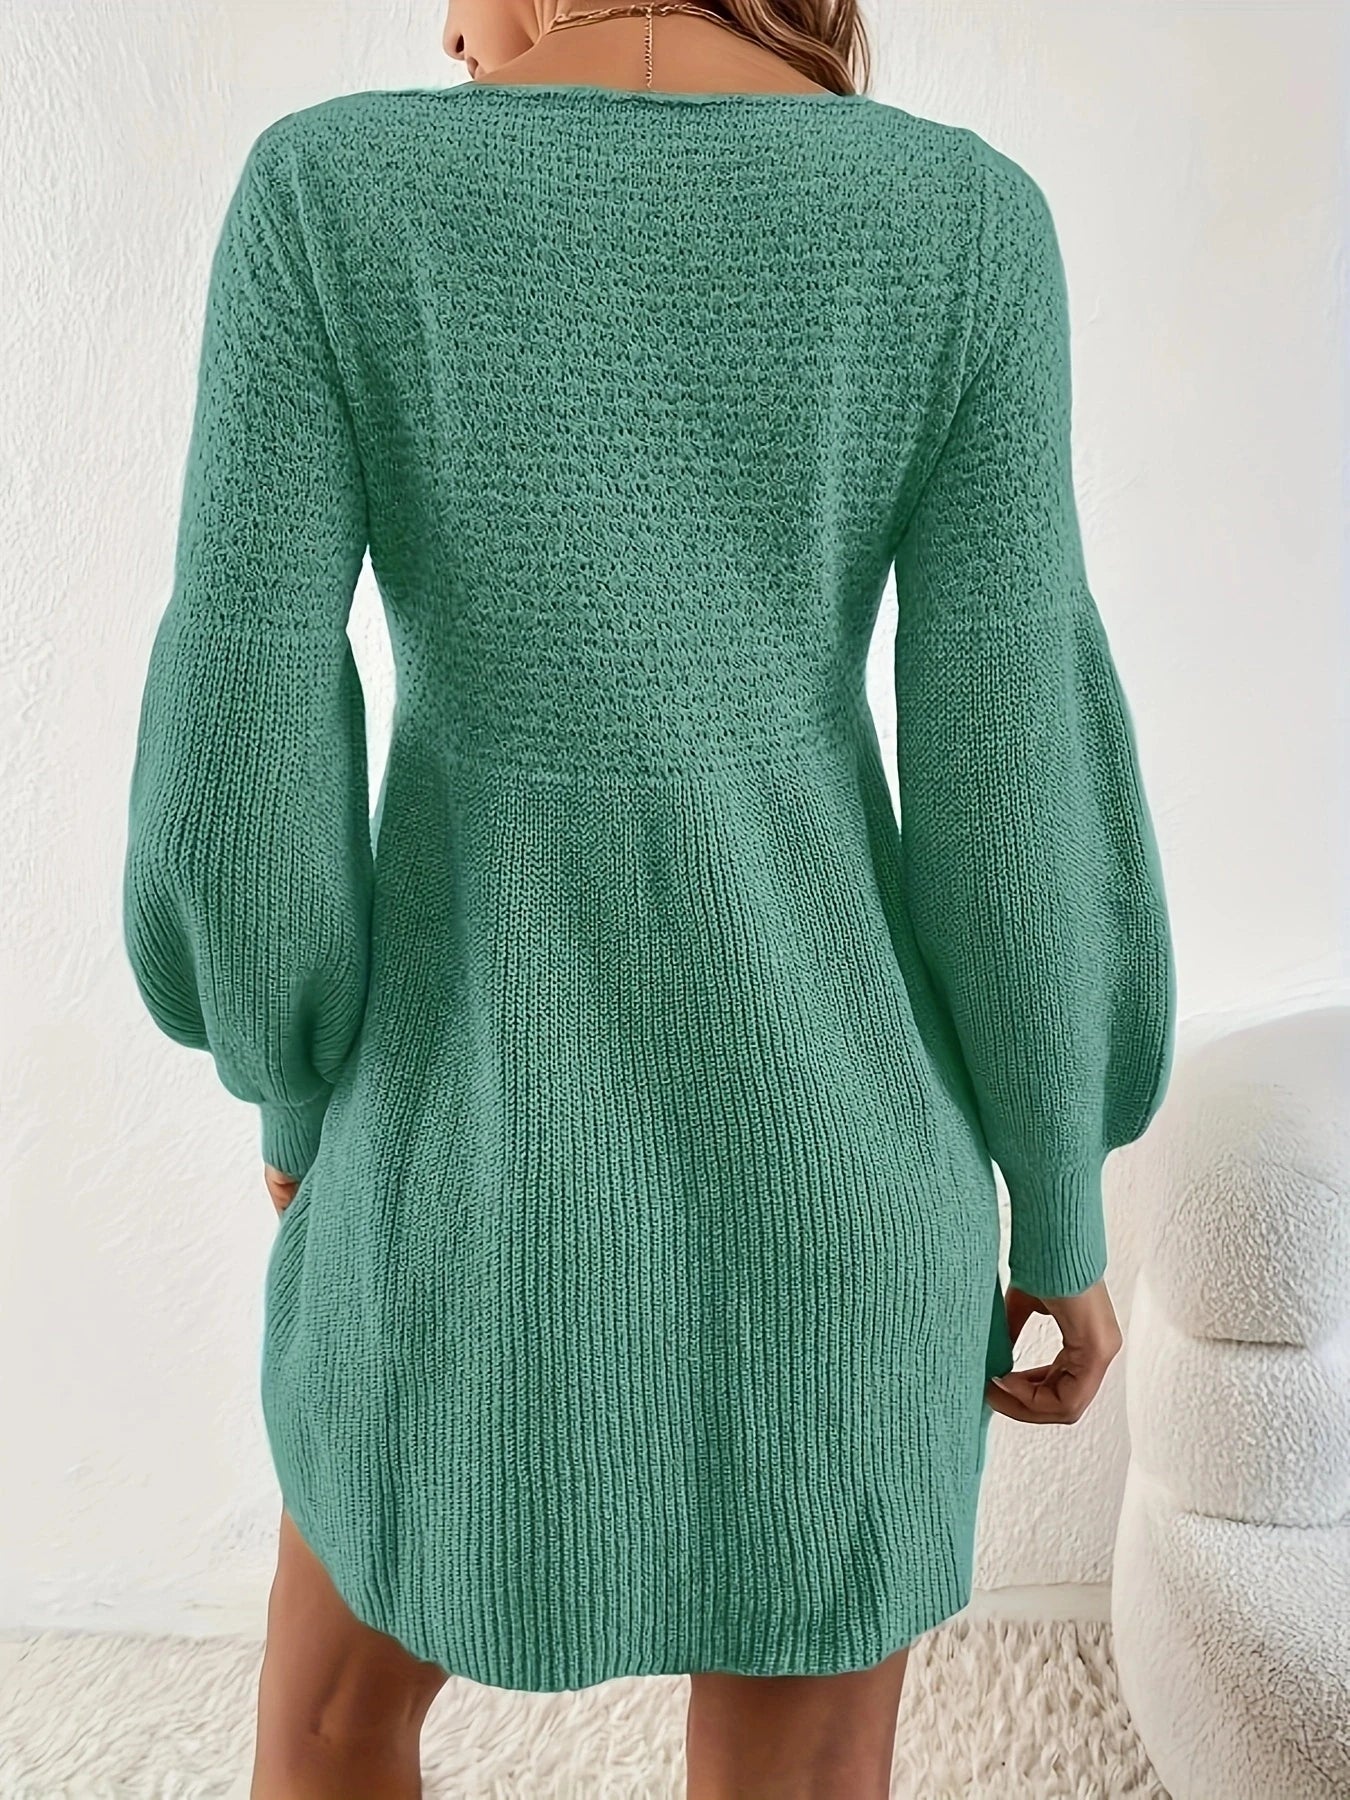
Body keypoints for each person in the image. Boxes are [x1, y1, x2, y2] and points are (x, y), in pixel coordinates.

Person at [119, 0, 1177, 1794]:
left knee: (329, 1724)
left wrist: (295, 1089)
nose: (445, 28)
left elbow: (244, 716)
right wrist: (1056, 1205)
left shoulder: (329, 194)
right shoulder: (962, 224)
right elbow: (1010, 780)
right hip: (843, 1191)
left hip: (457, 1164)